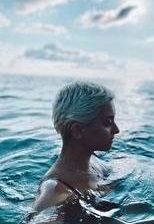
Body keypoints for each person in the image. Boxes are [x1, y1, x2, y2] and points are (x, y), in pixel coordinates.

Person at [32, 81, 120, 214]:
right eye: (108, 122)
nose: (116, 130)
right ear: (77, 130)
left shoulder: (94, 161)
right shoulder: (56, 191)